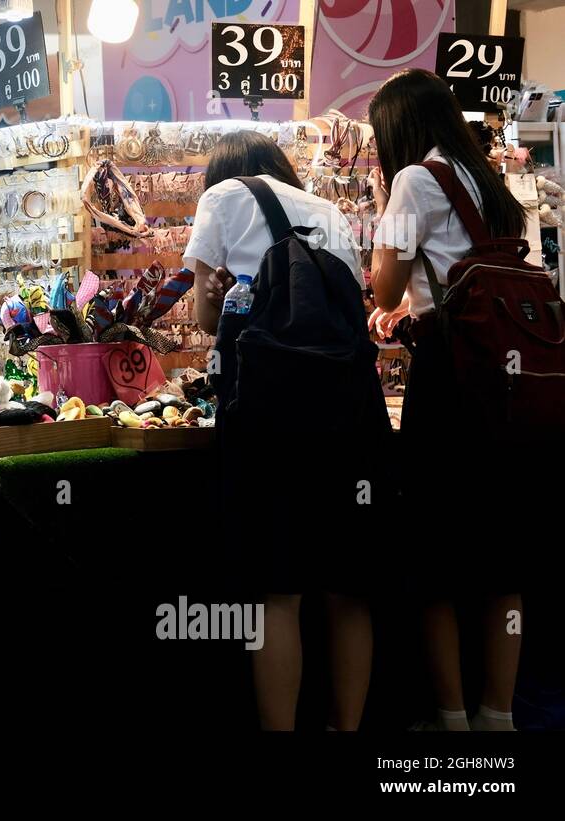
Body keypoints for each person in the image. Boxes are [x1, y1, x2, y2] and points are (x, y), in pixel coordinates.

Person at [184, 130, 377, 731]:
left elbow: (204, 316)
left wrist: (217, 295)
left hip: (271, 414)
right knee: (348, 589)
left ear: (224, 171)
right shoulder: (329, 211)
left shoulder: (221, 198)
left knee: (278, 593)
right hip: (351, 411)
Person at [366, 68, 526, 732]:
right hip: (508, 381)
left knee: (433, 554)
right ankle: (499, 713)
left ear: (399, 129)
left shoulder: (414, 180)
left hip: (450, 375)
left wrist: (383, 212)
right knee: (499, 556)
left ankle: (451, 717)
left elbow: (383, 285)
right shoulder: (491, 184)